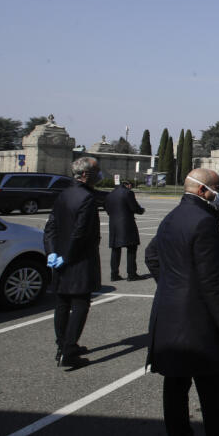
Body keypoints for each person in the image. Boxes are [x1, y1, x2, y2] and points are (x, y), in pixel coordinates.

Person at [145, 168, 219, 436]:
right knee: (211, 382)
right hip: (198, 318)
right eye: (217, 188)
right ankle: (216, 430)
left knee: (175, 383)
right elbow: (212, 280)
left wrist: (171, 286)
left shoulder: (171, 217)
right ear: (202, 190)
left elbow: (151, 256)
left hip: (168, 310)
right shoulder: (204, 221)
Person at [43, 157, 103, 368]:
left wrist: (51, 252)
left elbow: (50, 227)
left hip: (60, 258)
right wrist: (67, 257)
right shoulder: (86, 198)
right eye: (97, 171)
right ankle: (69, 350)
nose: (99, 174)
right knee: (79, 304)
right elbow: (80, 233)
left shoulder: (64, 194)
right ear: (85, 174)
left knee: (62, 304)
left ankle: (62, 345)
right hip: (78, 259)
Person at [104, 179, 146, 282]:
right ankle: (131, 274)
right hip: (127, 223)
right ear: (128, 185)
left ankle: (114, 274)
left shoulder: (110, 194)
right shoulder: (128, 193)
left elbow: (107, 208)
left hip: (113, 224)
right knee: (131, 248)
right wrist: (141, 210)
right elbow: (134, 207)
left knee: (115, 249)